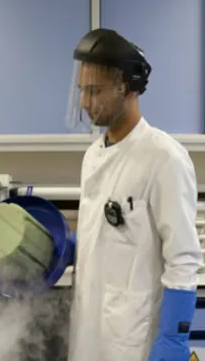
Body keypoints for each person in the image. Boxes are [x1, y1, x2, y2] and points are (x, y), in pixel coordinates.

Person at [66, 28, 202, 361]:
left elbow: (183, 258)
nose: (85, 102)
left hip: (134, 339)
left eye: (94, 91)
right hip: (88, 332)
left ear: (126, 88)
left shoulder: (164, 158)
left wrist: (173, 336)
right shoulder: (94, 155)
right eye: (82, 90)